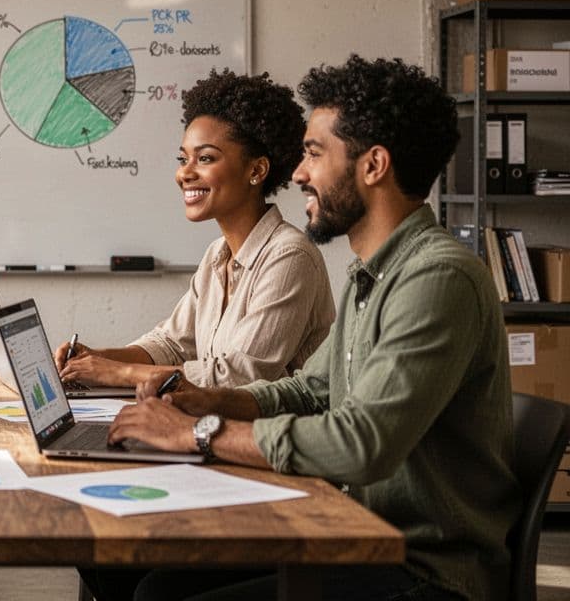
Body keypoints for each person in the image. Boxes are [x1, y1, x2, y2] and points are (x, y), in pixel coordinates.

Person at [95, 56, 520, 601]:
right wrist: (205, 402)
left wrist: (198, 434)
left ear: (373, 166)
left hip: (421, 568)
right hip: (354, 531)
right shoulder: (376, 273)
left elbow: (362, 444)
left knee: (157, 593)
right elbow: (308, 390)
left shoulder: (437, 278)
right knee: (129, 568)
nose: (296, 174)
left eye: (314, 154)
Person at [56, 69, 333, 390]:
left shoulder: (290, 256)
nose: (184, 173)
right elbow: (172, 343)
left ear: (256, 170)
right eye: (182, 158)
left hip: (267, 436)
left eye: (205, 158)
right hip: (212, 425)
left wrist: (118, 373)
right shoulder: (218, 254)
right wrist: (96, 359)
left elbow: (239, 375)